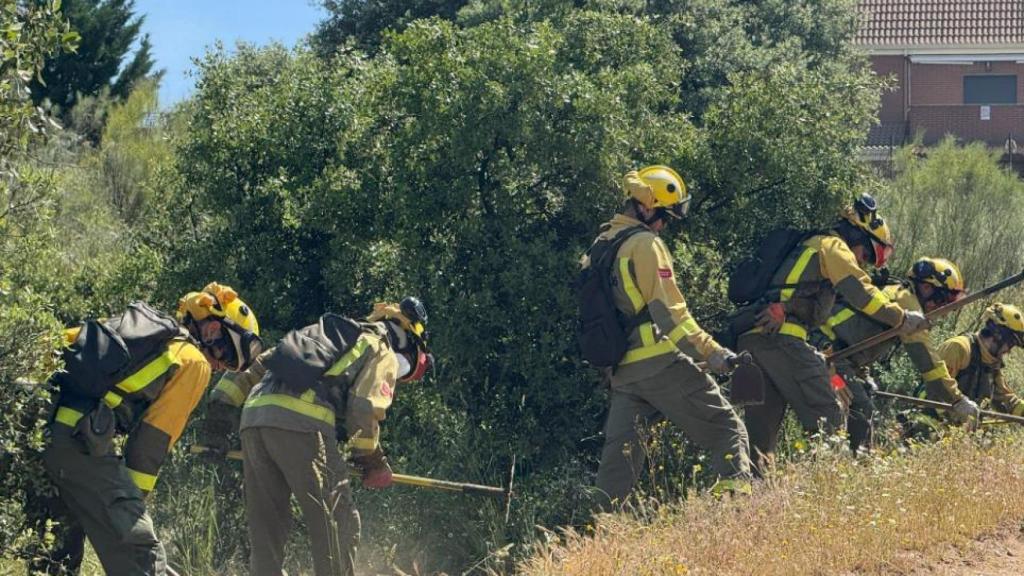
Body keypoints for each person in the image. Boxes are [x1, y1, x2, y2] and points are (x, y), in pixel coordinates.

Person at [36, 282, 261, 575]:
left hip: (47, 436)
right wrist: (131, 507)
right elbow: (150, 443)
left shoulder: (143, 333)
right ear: (212, 329)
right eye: (229, 355)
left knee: (57, 551)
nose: (223, 367)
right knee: (141, 554)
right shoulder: (194, 363)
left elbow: (51, 347)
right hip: (82, 444)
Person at [203, 298, 431, 576]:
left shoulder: (317, 332)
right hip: (302, 424)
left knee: (267, 528)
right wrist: (372, 462)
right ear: (407, 340)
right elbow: (364, 407)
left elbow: (249, 371)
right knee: (339, 524)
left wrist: (216, 427)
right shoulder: (379, 347)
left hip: (253, 420)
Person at [581, 165, 752, 508]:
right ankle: (735, 515)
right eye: (663, 216)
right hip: (659, 363)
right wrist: (714, 353)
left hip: (623, 374)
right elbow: (671, 315)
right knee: (726, 429)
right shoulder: (645, 245)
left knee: (617, 470)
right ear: (644, 208)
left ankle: (599, 534)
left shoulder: (600, 244)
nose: (664, 225)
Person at [735, 194, 928, 474]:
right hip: (782, 340)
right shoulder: (833, 246)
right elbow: (861, 293)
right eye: (868, 254)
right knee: (829, 415)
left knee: (760, 438)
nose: (864, 263)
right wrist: (900, 317)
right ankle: (827, 487)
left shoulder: (807, 247)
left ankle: (752, 499)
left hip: (752, 344)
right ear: (857, 236)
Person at [811, 257, 965, 451]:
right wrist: (958, 400)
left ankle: (848, 456)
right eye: (943, 299)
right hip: (827, 356)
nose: (942, 309)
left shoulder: (899, 296)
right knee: (858, 406)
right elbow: (929, 364)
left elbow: (859, 337)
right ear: (926, 288)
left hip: (838, 358)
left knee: (862, 396)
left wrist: (862, 374)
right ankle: (846, 462)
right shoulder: (907, 304)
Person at [927, 303, 1024, 421]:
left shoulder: (991, 362)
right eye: (1010, 344)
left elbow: (1004, 398)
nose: (1008, 351)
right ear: (998, 336)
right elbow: (937, 388)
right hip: (929, 421)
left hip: (961, 431)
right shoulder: (959, 348)